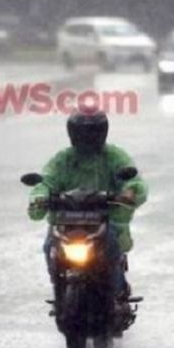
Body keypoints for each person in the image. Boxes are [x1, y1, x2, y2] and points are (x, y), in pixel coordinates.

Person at [27, 107, 148, 302]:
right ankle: (59, 284)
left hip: (105, 222)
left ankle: (117, 291)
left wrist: (130, 191)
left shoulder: (115, 157)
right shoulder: (62, 160)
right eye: (82, 132)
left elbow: (133, 180)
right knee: (50, 246)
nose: (87, 137)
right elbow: (46, 182)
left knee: (112, 245)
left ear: (103, 132)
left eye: (93, 132)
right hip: (66, 224)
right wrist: (39, 198)